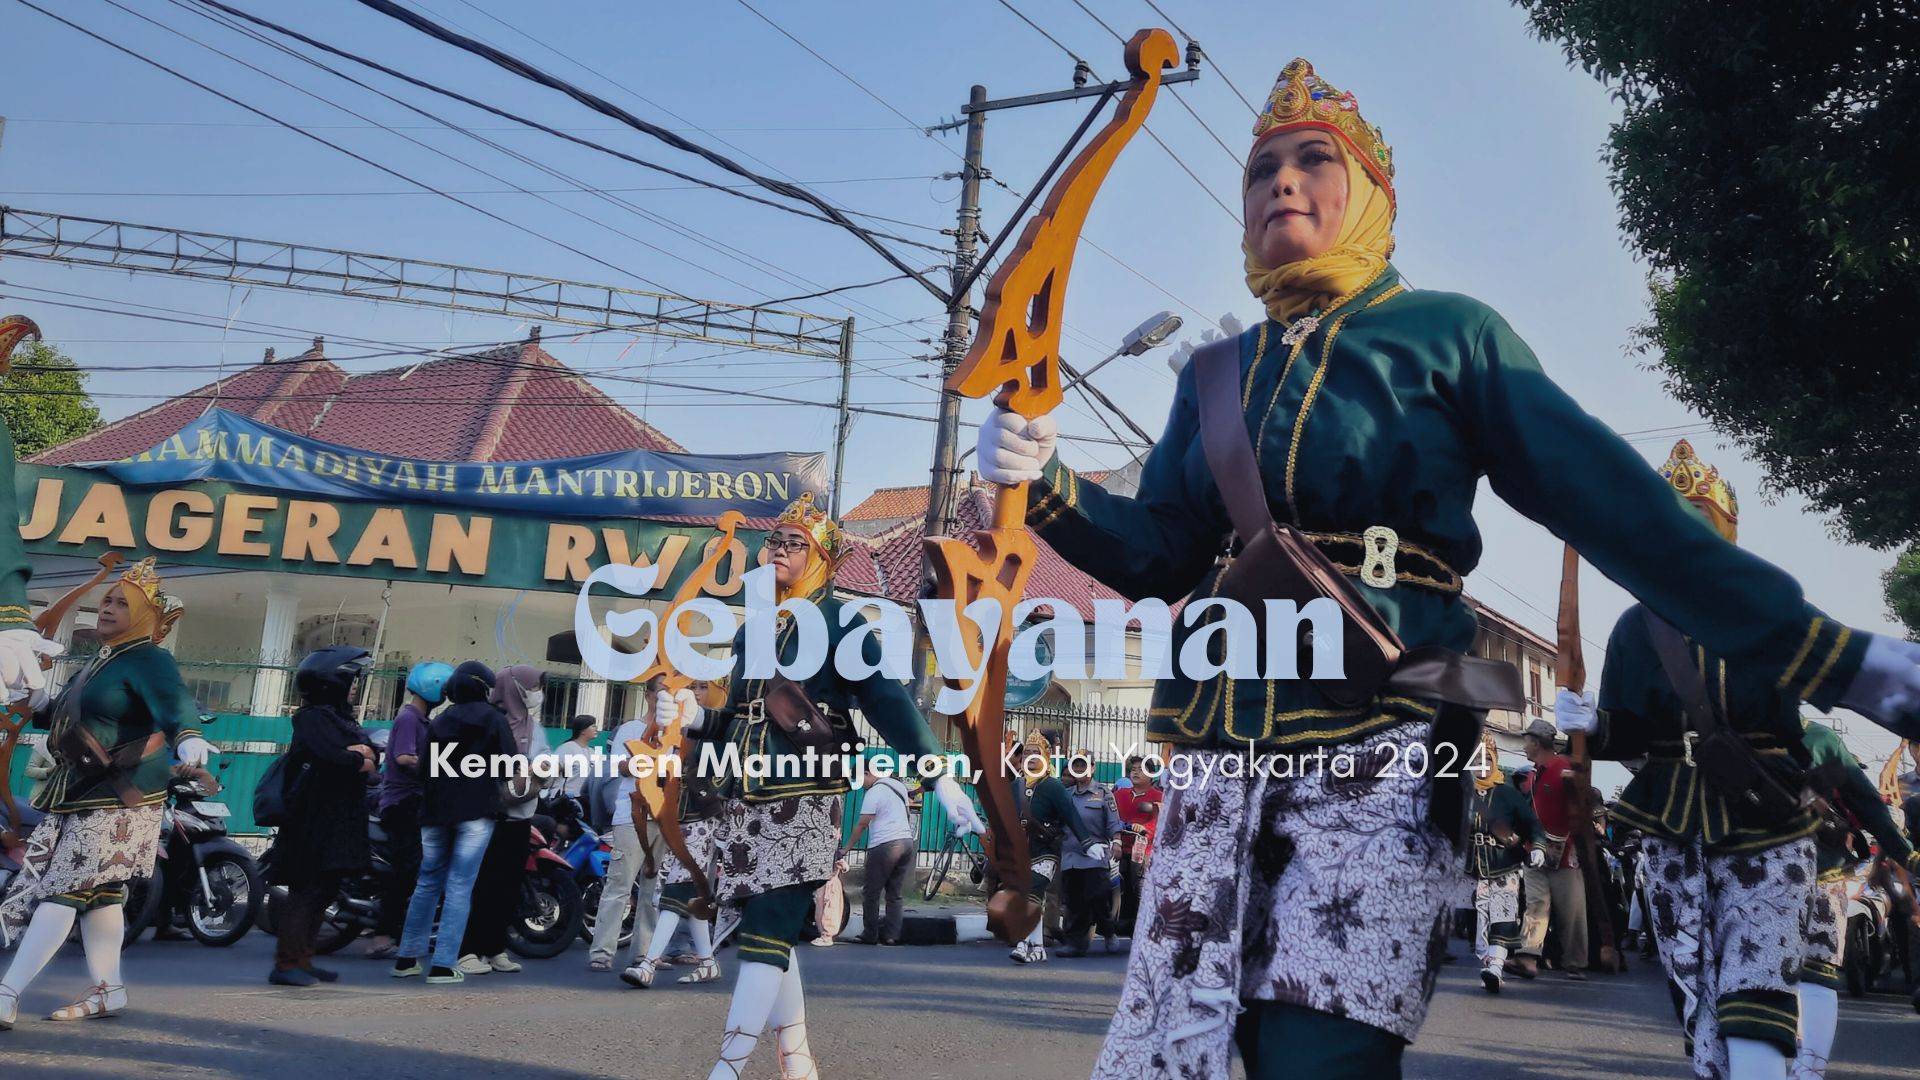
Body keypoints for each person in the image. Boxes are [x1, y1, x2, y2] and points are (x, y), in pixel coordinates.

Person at [977, 56, 1920, 1078]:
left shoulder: (1451, 337)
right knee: (1207, 1041)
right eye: (1261, 171)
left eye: (1311, 163)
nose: (1281, 184)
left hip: (1387, 736)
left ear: (1372, 197)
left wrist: (1833, 656)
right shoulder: (1215, 375)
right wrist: (1052, 483)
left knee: (1323, 1049)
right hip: (1218, 752)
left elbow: (1621, 509)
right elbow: (1157, 551)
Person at [1553, 439, 1920, 1080]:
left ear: (1723, 534)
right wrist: (1591, 724)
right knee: (1694, 991)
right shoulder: (1635, 627)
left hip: (1768, 820)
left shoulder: (1769, 611)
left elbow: (1836, 674)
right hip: (1670, 825)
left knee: (1758, 986)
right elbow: (1628, 734)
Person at [667, 492, 984, 1080]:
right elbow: (736, 717)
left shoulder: (841, 621)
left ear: (823, 558)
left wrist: (938, 774)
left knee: (766, 928)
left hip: (807, 797)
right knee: (772, 929)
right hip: (747, 802)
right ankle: (798, 1062)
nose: (778, 551)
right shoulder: (754, 627)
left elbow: (888, 701)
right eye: (774, 540)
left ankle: (727, 1070)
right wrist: (692, 717)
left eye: (794, 543)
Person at [0, 558, 209, 1027]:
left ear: (146, 614)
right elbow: (73, 715)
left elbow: (176, 703)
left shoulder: (150, 659)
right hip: (80, 790)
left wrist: (189, 736)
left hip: (121, 797)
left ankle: (6, 991)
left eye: (122, 602)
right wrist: (38, 702)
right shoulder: (101, 660)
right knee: (102, 895)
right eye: (107, 599)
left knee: (65, 891)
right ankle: (109, 989)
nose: (108, 607)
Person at [1794, 720, 1917, 1080]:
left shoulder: (1820, 743)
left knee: (1811, 975)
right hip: (1813, 875)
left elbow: (1873, 809)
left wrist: (1901, 856)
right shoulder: (1820, 742)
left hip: (1830, 874)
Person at [392, 661, 509, 984]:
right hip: (476, 813)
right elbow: (509, 766)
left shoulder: (440, 721)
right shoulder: (494, 719)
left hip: (434, 812)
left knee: (426, 883)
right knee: (460, 885)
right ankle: (443, 964)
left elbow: (424, 767)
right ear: (485, 689)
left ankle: (406, 958)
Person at [270, 647, 376, 986]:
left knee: (325, 890)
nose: (355, 687)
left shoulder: (339, 718)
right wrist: (358, 759)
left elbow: (373, 753)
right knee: (306, 891)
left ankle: (304, 958)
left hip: (337, 819)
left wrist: (361, 755)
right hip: (312, 821)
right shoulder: (312, 718)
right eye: (351, 680)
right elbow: (332, 756)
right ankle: (287, 964)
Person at [622, 680, 724, 991]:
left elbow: (717, 776)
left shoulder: (716, 731)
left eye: (702, 687)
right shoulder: (672, 728)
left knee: (676, 891)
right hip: (676, 818)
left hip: (702, 818)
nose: (694, 692)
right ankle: (708, 962)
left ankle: (649, 964)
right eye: (691, 686)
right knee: (684, 892)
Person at [456, 663, 545, 976]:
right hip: (489, 816)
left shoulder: (533, 727)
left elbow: (540, 762)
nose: (537, 694)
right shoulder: (489, 720)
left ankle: (495, 948)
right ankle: (468, 949)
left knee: (507, 886)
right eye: (532, 687)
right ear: (516, 689)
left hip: (521, 816)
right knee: (482, 886)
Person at [365, 661, 452, 960]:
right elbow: (404, 757)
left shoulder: (424, 721)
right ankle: (383, 932)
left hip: (416, 800)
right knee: (407, 870)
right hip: (402, 802)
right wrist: (438, 768)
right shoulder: (409, 719)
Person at [1009, 734, 1105, 965]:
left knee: (1032, 892)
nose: (1031, 758)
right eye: (1028, 753)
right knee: (1031, 895)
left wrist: (1088, 843)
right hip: (1022, 852)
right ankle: (1039, 947)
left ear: (1046, 758)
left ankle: (1023, 943)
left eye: (1037, 753)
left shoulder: (1053, 786)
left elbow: (1071, 815)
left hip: (1046, 850)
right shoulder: (1015, 786)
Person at [1465, 734, 1546, 994]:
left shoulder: (1508, 795)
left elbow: (1532, 824)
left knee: (1502, 916)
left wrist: (1538, 846)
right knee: (1477, 921)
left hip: (1504, 865)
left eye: (1487, 759)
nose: (1483, 764)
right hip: (1470, 868)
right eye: (1477, 760)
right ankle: (1489, 964)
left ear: (1495, 761)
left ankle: (1497, 965)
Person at [590, 696, 665, 974]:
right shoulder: (631, 729)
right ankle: (601, 952)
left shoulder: (679, 731)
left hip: (664, 817)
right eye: (662, 692)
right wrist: (645, 762)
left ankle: (644, 953)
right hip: (631, 816)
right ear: (648, 696)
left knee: (653, 889)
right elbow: (617, 768)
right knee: (619, 885)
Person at [1513, 719, 1587, 980]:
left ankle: (1575, 962)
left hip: (1565, 853)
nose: (1523, 745)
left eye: (1526, 740)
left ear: (1535, 742)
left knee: (1571, 911)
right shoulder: (1535, 772)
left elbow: (1580, 812)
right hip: (1535, 849)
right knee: (1535, 904)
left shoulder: (1564, 769)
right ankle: (1528, 956)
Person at [1058, 753, 1124, 957]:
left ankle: (1109, 931)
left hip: (1095, 855)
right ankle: (1076, 944)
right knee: (1074, 901)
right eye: (1075, 765)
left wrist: (1117, 841)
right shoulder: (1066, 795)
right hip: (1071, 855)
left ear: (1092, 768)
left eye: (1083, 765)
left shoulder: (1103, 793)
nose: (1079, 768)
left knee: (1097, 896)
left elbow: (1113, 821)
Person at [841, 770, 915, 946]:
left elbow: (862, 824)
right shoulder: (898, 786)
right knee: (894, 893)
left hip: (885, 845)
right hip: (906, 842)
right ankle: (891, 936)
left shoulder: (874, 792)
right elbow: (906, 814)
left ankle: (870, 934)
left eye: (860, 779)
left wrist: (846, 848)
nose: (860, 784)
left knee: (871, 892)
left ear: (867, 773)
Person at [1114, 756, 1162, 935]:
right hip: (1119, 848)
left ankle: (1143, 927)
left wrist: (1145, 828)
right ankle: (1119, 924)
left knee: (1139, 891)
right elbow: (1110, 815)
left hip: (1143, 851)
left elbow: (1160, 820)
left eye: (1141, 769)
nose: (1135, 771)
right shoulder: (1120, 794)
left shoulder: (1158, 796)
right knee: (1119, 890)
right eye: (1133, 768)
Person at [549, 714, 598, 800]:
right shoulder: (567, 748)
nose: (596, 729)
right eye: (593, 726)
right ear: (583, 730)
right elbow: (552, 771)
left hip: (584, 798)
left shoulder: (592, 752)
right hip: (565, 798)